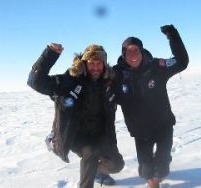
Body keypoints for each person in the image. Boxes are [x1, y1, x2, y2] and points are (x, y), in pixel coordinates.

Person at [27, 43, 124, 188]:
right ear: (84, 63)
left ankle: (97, 171)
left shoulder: (108, 83)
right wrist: (50, 54)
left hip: (100, 134)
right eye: (91, 63)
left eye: (99, 63)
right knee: (91, 153)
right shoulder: (69, 81)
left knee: (117, 164)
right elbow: (35, 81)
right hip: (74, 134)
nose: (96, 68)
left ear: (104, 64)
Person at [112, 25, 189, 188]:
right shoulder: (116, 74)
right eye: (129, 51)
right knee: (146, 170)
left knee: (161, 167)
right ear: (123, 54)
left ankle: (160, 171)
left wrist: (173, 36)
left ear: (142, 51)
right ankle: (152, 175)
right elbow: (95, 78)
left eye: (136, 50)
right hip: (140, 131)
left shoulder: (157, 66)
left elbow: (182, 62)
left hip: (163, 125)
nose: (133, 55)